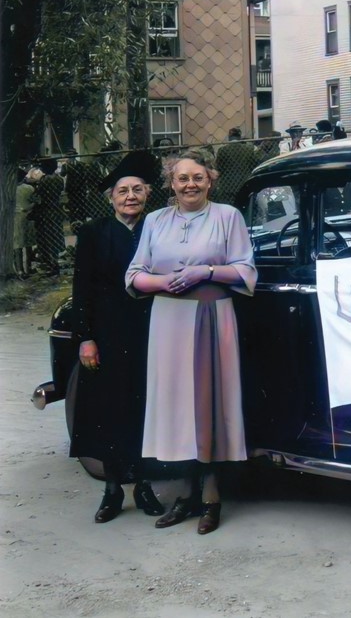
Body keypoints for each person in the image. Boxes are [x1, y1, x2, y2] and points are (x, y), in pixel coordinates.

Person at [126, 149, 257, 535]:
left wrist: (206, 271)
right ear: (171, 182)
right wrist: (162, 282)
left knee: (208, 404)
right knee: (177, 407)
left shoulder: (227, 217)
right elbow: (134, 274)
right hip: (169, 321)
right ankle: (185, 495)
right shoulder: (155, 220)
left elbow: (246, 269)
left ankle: (212, 498)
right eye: (182, 178)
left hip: (212, 318)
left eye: (198, 177)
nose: (190, 185)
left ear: (210, 180)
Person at [70, 151, 167, 523]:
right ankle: (112, 490)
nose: (130, 197)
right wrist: (86, 338)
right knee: (109, 409)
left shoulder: (157, 229)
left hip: (150, 329)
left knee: (146, 407)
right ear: (111, 197)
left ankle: (143, 485)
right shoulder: (94, 233)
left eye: (137, 190)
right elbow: (82, 289)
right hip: (107, 333)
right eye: (123, 191)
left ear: (147, 195)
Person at [32, 158, 66, 275]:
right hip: (56, 209)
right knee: (56, 235)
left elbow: (37, 195)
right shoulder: (59, 179)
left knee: (48, 237)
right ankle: (55, 261)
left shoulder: (44, 180)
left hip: (46, 210)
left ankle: (51, 264)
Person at [214, 127, 259, 205]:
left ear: (229, 137)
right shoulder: (249, 149)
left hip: (227, 185)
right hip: (244, 183)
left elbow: (219, 167)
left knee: (229, 207)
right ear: (240, 136)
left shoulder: (222, 150)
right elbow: (254, 165)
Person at [14, 167, 39, 277]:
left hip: (15, 218)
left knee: (17, 244)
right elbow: (36, 201)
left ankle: (19, 270)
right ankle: (29, 267)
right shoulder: (29, 188)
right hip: (28, 216)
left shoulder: (9, 190)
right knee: (28, 243)